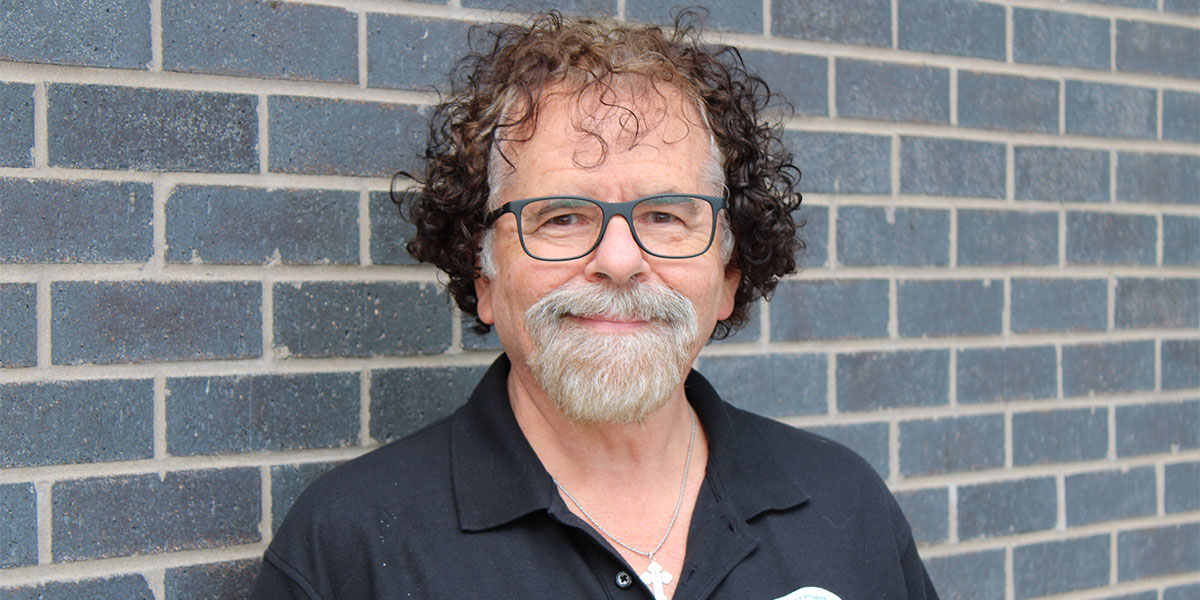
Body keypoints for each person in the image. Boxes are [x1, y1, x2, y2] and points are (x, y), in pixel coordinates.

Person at [252, 12, 938, 600]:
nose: (618, 259)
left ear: (729, 272)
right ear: (483, 274)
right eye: (561, 218)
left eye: (668, 216)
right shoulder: (347, 550)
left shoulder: (844, 506)